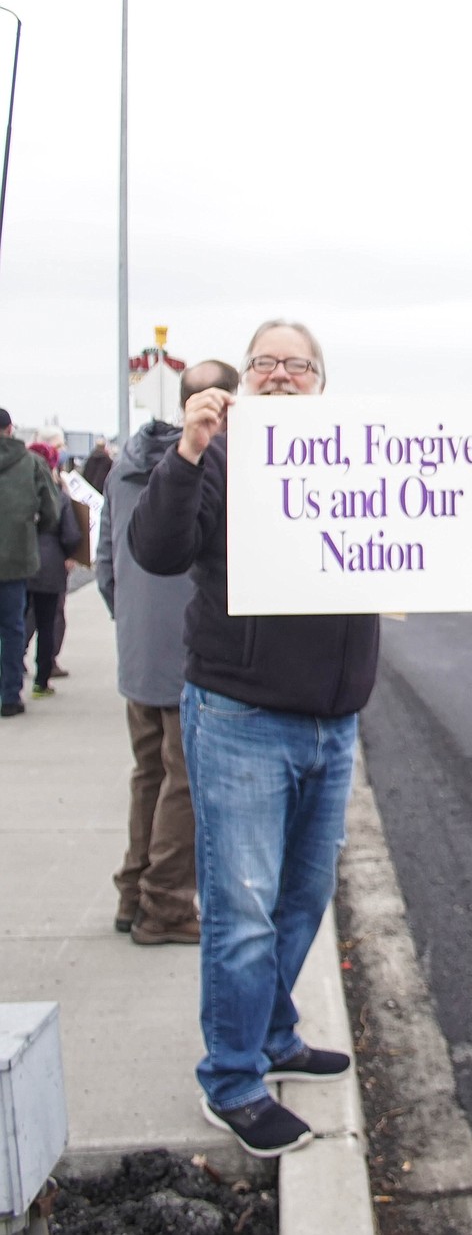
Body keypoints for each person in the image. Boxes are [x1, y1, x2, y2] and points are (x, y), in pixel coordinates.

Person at [129, 319, 472, 1160]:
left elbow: (420, 529)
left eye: (298, 364)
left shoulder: (350, 457)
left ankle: (274, 1033)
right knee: (241, 913)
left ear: (321, 381)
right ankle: (233, 1079)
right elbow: (157, 551)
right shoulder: (219, 455)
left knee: (299, 901)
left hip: (333, 719)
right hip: (239, 715)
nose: (280, 375)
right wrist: (190, 453)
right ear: (245, 379)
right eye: (264, 363)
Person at [96, 359, 240, 944]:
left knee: (148, 774)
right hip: (186, 651)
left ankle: (131, 892)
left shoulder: (124, 467)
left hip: (137, 650)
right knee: (185, 784)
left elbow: (106, 561)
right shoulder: (204, 466)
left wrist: (130, 620)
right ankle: (165, 907)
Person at [0, 409, 61, 718]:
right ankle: (9, 695)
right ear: (11, 429)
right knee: (12, 628)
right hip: (16, 559)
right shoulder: (30, 463)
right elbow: (52, 512)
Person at [24, 441, 82, 697]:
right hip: (49, 566)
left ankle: (11, 676)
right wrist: (70, 553)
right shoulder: (58, 495)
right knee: (47, 623)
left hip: (19, 565)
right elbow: (70, 534)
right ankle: (42, 680)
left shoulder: (15, 490)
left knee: (16, 620)